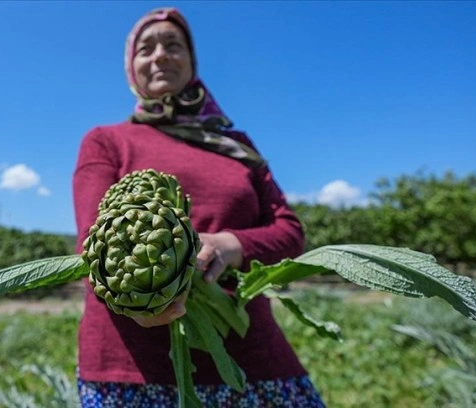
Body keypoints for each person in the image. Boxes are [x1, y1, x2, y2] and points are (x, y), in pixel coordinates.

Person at [72, 7, 326, 407]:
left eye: (173, 45)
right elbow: (91, 244)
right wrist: (144, 298)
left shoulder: (238, 146)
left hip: (253, 360)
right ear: (130, 66)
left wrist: (230, 245)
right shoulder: (106, 141)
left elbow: (290, 231)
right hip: (133, 368)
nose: (160, 55)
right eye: (146, 48)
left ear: (192, 62)